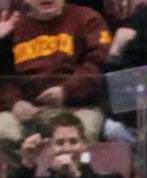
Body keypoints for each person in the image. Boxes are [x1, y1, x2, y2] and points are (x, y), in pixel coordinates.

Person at [0, 0, 111, 146]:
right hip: (27, 112)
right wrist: (15, 102)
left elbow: (98, 64)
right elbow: (4, 75)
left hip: (76, 109)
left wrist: (66, 90)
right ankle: (30, 165)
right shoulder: (12, 25)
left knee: (83, 133)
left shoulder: (88, 18)